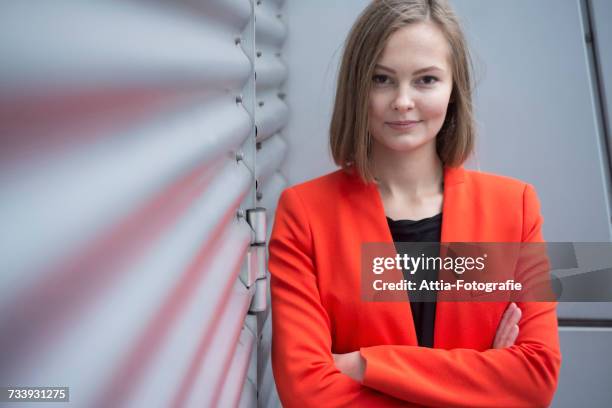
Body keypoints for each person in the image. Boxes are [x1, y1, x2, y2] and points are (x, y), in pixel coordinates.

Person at [268, 0, 561, 406]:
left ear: (454, 90)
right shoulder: (305, 214)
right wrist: (481, 381)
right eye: (382, 79)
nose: (403, 101)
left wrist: (364, 365)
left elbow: (535, 380)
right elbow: (307, 393)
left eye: (425, 80)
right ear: (357, 87)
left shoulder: (515, 208)